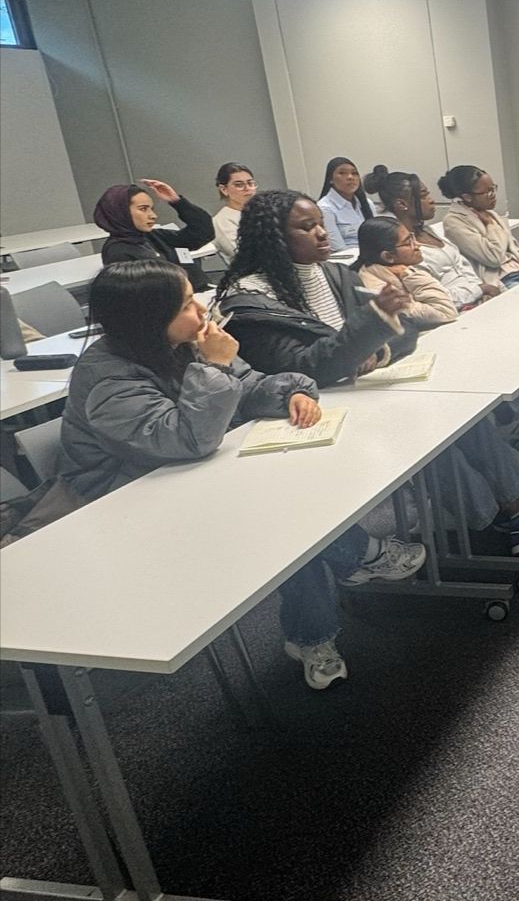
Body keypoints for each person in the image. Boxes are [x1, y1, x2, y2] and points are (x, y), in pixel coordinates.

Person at [54, 261, 426, 690]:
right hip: (122, 510)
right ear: (149, 319)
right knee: (280, 521)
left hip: (180, 480)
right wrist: (214, 367)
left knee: (288, 499)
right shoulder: (108, 381)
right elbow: (187, 440)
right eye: (186, 304)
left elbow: (248, 386)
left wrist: (293, 392)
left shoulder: (176, 344)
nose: (199, 310)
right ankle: (348, 570)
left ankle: (327, 607)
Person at [215, 191, 519, 553]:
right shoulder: (250, 304)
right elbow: (305, 368)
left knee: (460, 418)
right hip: (311, 416)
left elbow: (405, 333)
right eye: (306, 226)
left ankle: (518, 515)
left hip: (360, 392)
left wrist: (375, 350)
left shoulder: (334, 275)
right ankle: (508, 520)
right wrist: (371, 330)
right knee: (431, 435)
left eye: (320, 222)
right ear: (274, 239)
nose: (321, 232)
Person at [368, 166, 492, 310]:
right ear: (402, 204)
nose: (431, 200)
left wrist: (482, 292)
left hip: (477, 299)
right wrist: (479, 291)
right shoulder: (404, 250)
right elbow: (434, 297)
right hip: (454, 310)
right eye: (423, 196)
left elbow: (464, 268)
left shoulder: (429, 230)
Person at [94, 179, 214, 292]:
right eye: (143, 209)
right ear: (121, 212)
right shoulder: (118, 252)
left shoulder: (151, 236)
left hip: (201, 295)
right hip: (178, 307)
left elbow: (202, 232)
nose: (153, 215)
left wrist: (177, 201)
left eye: (151, 209)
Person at [353, 216, 459, 329]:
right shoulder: (380, 290)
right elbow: (445, 312)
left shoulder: (392, 269)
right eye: (408, 242)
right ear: (388, 256)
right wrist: (411, 275)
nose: (417, 245)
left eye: (413, 238)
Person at [437, 164, 519, 291]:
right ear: (466, 196)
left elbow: (514, 249)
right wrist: (490, 225)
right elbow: (493, 257)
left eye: (493, 188)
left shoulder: (491, 213)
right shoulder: (454, 222)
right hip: (501, 280)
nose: (493, 195)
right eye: (487, 192)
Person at [316, 156, 373, 252]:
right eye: (342, 173)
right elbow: (338, 249)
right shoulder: (325, 208)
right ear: (330, 179)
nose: (350, 177)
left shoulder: (367, 203)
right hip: (345, 261)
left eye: (354, 173)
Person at [211, 162, 256, 260]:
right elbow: (242, 255)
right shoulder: (222, 221)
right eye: (239, 185)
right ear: (224, 189)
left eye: (250, 183)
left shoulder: (264, 211)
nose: (247, 188)